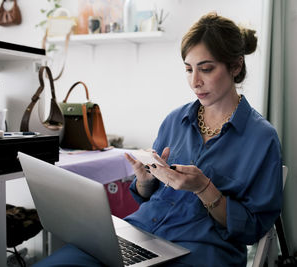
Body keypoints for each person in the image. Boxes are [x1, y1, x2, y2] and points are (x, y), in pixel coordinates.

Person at [33, 12, 283, 267]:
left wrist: (204, 189)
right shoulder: (175, 120)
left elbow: (252, 228)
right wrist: (145, 181)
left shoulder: (261, 139)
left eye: (206, 69)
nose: (195, 81)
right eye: (188, 69)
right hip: (139, 234)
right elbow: (146, 196)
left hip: (201, 251)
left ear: (236, 66)